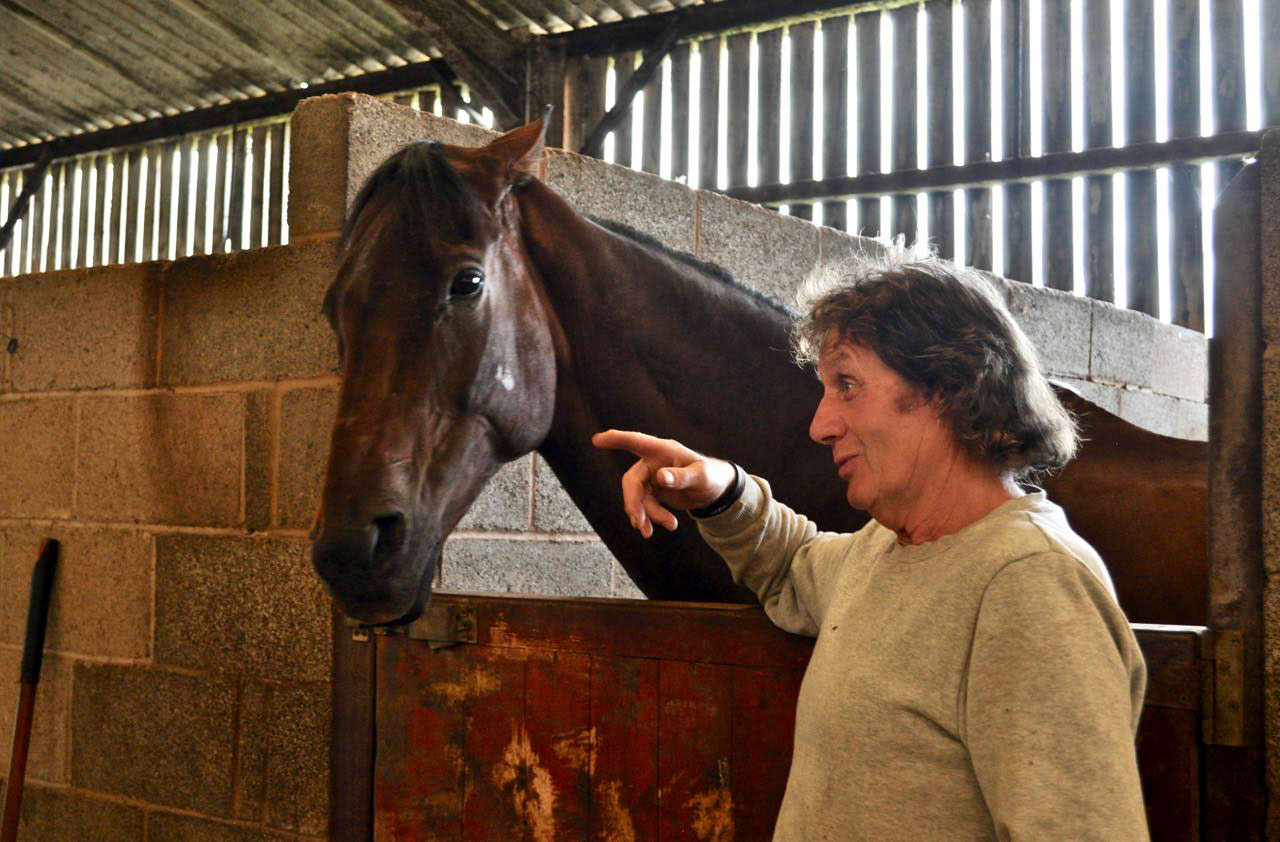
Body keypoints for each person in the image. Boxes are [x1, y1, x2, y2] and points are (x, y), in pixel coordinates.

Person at [592, 247, 1148, 841]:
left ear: (950, 387)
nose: (820, 424)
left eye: (848, 384)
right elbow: (793, 564)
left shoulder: (1031, 583)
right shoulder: (883, 549)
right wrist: (721, 490)